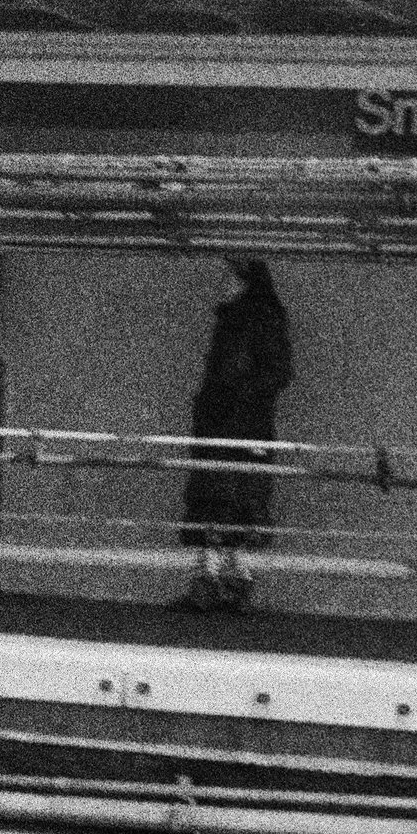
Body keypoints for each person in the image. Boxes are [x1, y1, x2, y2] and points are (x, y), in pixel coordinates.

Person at [177, 258, 293, 610]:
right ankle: (225, 582)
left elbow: (276, 373)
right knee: (224, 502)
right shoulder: (242, 320)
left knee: (227, 501)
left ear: (244, 282)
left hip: (237, 425)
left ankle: (223, 582)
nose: (224, 282)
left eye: (231, 276)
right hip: (230, 424)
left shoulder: (254, 320)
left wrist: (236, 397)